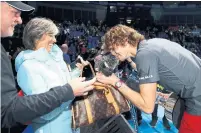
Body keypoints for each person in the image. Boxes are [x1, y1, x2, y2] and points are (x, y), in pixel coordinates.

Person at [1, 2, 96, 131]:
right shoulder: (28, 67)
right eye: (51, 35)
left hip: (70, 126)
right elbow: (43, 115)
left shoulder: (54, 59)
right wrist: (72, 92)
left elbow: (61, 84)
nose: (55, 40)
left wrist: (77, 73)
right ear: (38, 37)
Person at [96, 24, 201, 133]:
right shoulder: (152, 44)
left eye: (113, 48)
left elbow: (147, 107)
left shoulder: (144, 55)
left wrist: (115, 82)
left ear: (125, 40)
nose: (113, 53)